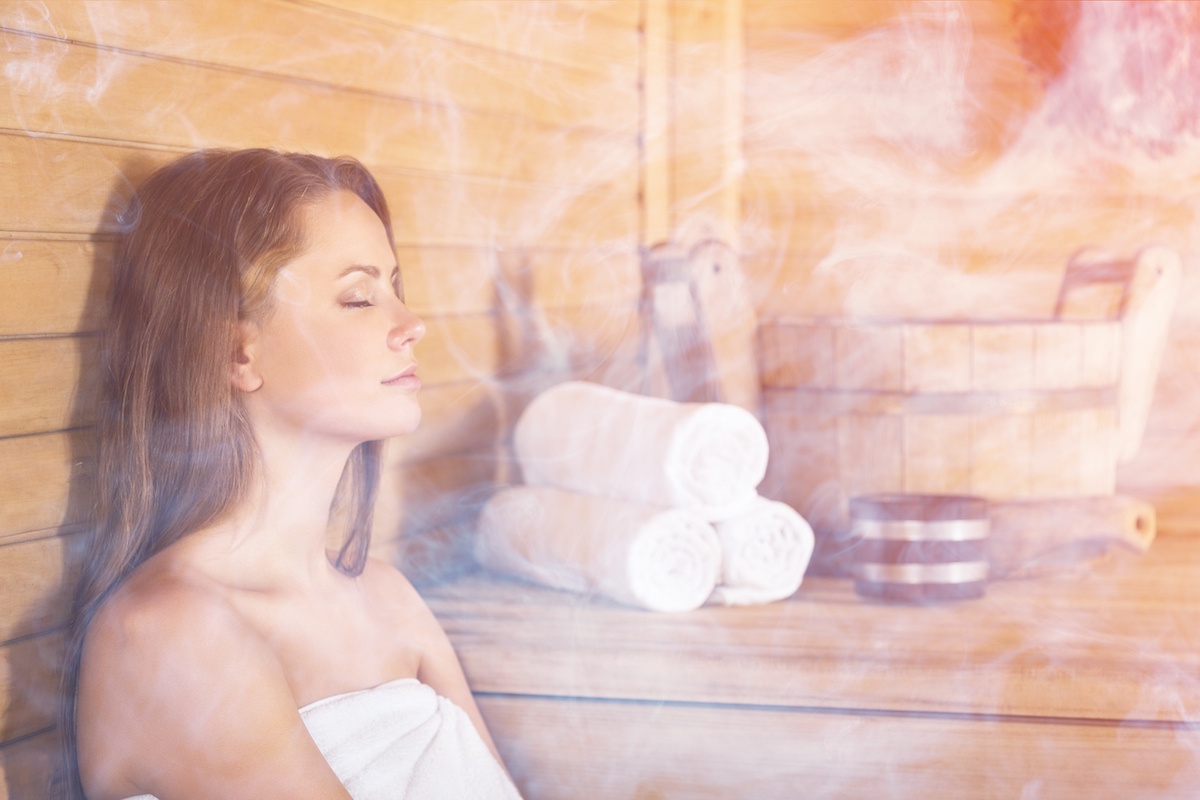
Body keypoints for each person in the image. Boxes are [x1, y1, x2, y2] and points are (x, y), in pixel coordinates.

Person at [58, 149, 520, 799]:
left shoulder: (390, 601)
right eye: (359, 298)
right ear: (237, 352)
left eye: (394, 286)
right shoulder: (169, 634)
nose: (410, 325)